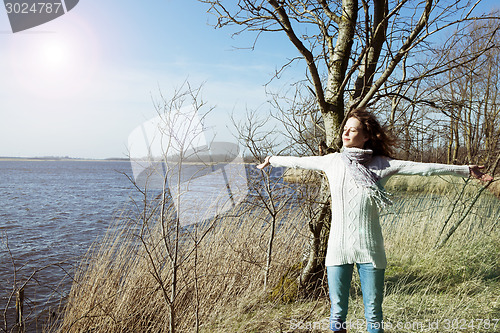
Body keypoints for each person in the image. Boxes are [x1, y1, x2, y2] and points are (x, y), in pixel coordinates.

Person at [256, 108, 492, 333]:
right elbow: (300, 161)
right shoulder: (333, 161)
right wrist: (272, 159)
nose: (345, 133)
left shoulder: (383, 165)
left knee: (374, 314)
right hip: (338, 250)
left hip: (370, 250)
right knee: (337, 313)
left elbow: (423, 169)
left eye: (352, 130)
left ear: (367, 136)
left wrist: (465, 170)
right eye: (344, 129)